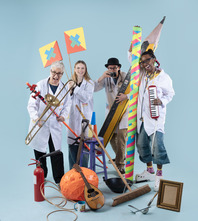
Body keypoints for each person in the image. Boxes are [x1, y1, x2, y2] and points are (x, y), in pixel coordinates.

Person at [130, 49, 175, 191]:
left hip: (156, 119)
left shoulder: (164, 77)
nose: (145, 64)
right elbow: (131, 61)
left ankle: (159, 175)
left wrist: (161, 100)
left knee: (157, 147)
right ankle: (149, 171)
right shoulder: (142, 75)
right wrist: (131, 49)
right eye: (142, 62)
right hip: (142, 118)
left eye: (147, 60)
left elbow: (171, 93)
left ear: (154, 59)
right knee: (142, 145)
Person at [27, 61, 71, 184]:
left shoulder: (64, 88)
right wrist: (36, 118)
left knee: (56, 151)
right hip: (40, 124)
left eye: (59, 73)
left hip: (55, 125)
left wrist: (63, 116)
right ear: (50, 71)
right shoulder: (40, 85)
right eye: (54, 72)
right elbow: (31, 105)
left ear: (62, 74)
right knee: (40, 151)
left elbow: (68, 105)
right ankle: (42, 175)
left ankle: (59, 178)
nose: (56, 76)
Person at [94, 58, 129, 174]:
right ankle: (120, 157)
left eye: (114, 68)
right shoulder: (106, 78)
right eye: (110, 68)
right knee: (112, 137)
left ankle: (120, 164)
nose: (112, 70)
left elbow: (136, 89)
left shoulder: (125, 77)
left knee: (121, 137)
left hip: (124, 112)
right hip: (111, 112)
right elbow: (93, 88)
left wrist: (126, 96)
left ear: (118, 67)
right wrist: (101, 78)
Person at [67, 60, 94, 170]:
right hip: (73, 117)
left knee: (84, 144)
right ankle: (73, 170)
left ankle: (84, 170)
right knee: (72, 144)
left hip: (84, 117)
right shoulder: (70, 82)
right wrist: (69, 89)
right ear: (74, 69)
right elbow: (66, 100)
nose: (80, 70)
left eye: (82, 68)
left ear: (85, 69)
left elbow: (85, 98)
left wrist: (76, 88)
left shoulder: (89, 83)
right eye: (78, 68)